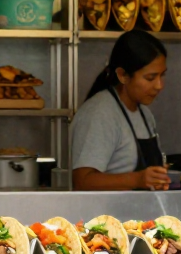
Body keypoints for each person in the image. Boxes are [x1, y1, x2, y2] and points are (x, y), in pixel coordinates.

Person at [71, 28, 170, 191]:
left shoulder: (145, 114)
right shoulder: (99, 114)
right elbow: (82, 181)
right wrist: (137, 179)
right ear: (122, 75)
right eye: (150, 78)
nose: (159, 85)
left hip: (141, 214)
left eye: (162, 75)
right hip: (106, 216)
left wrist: (157, 177)